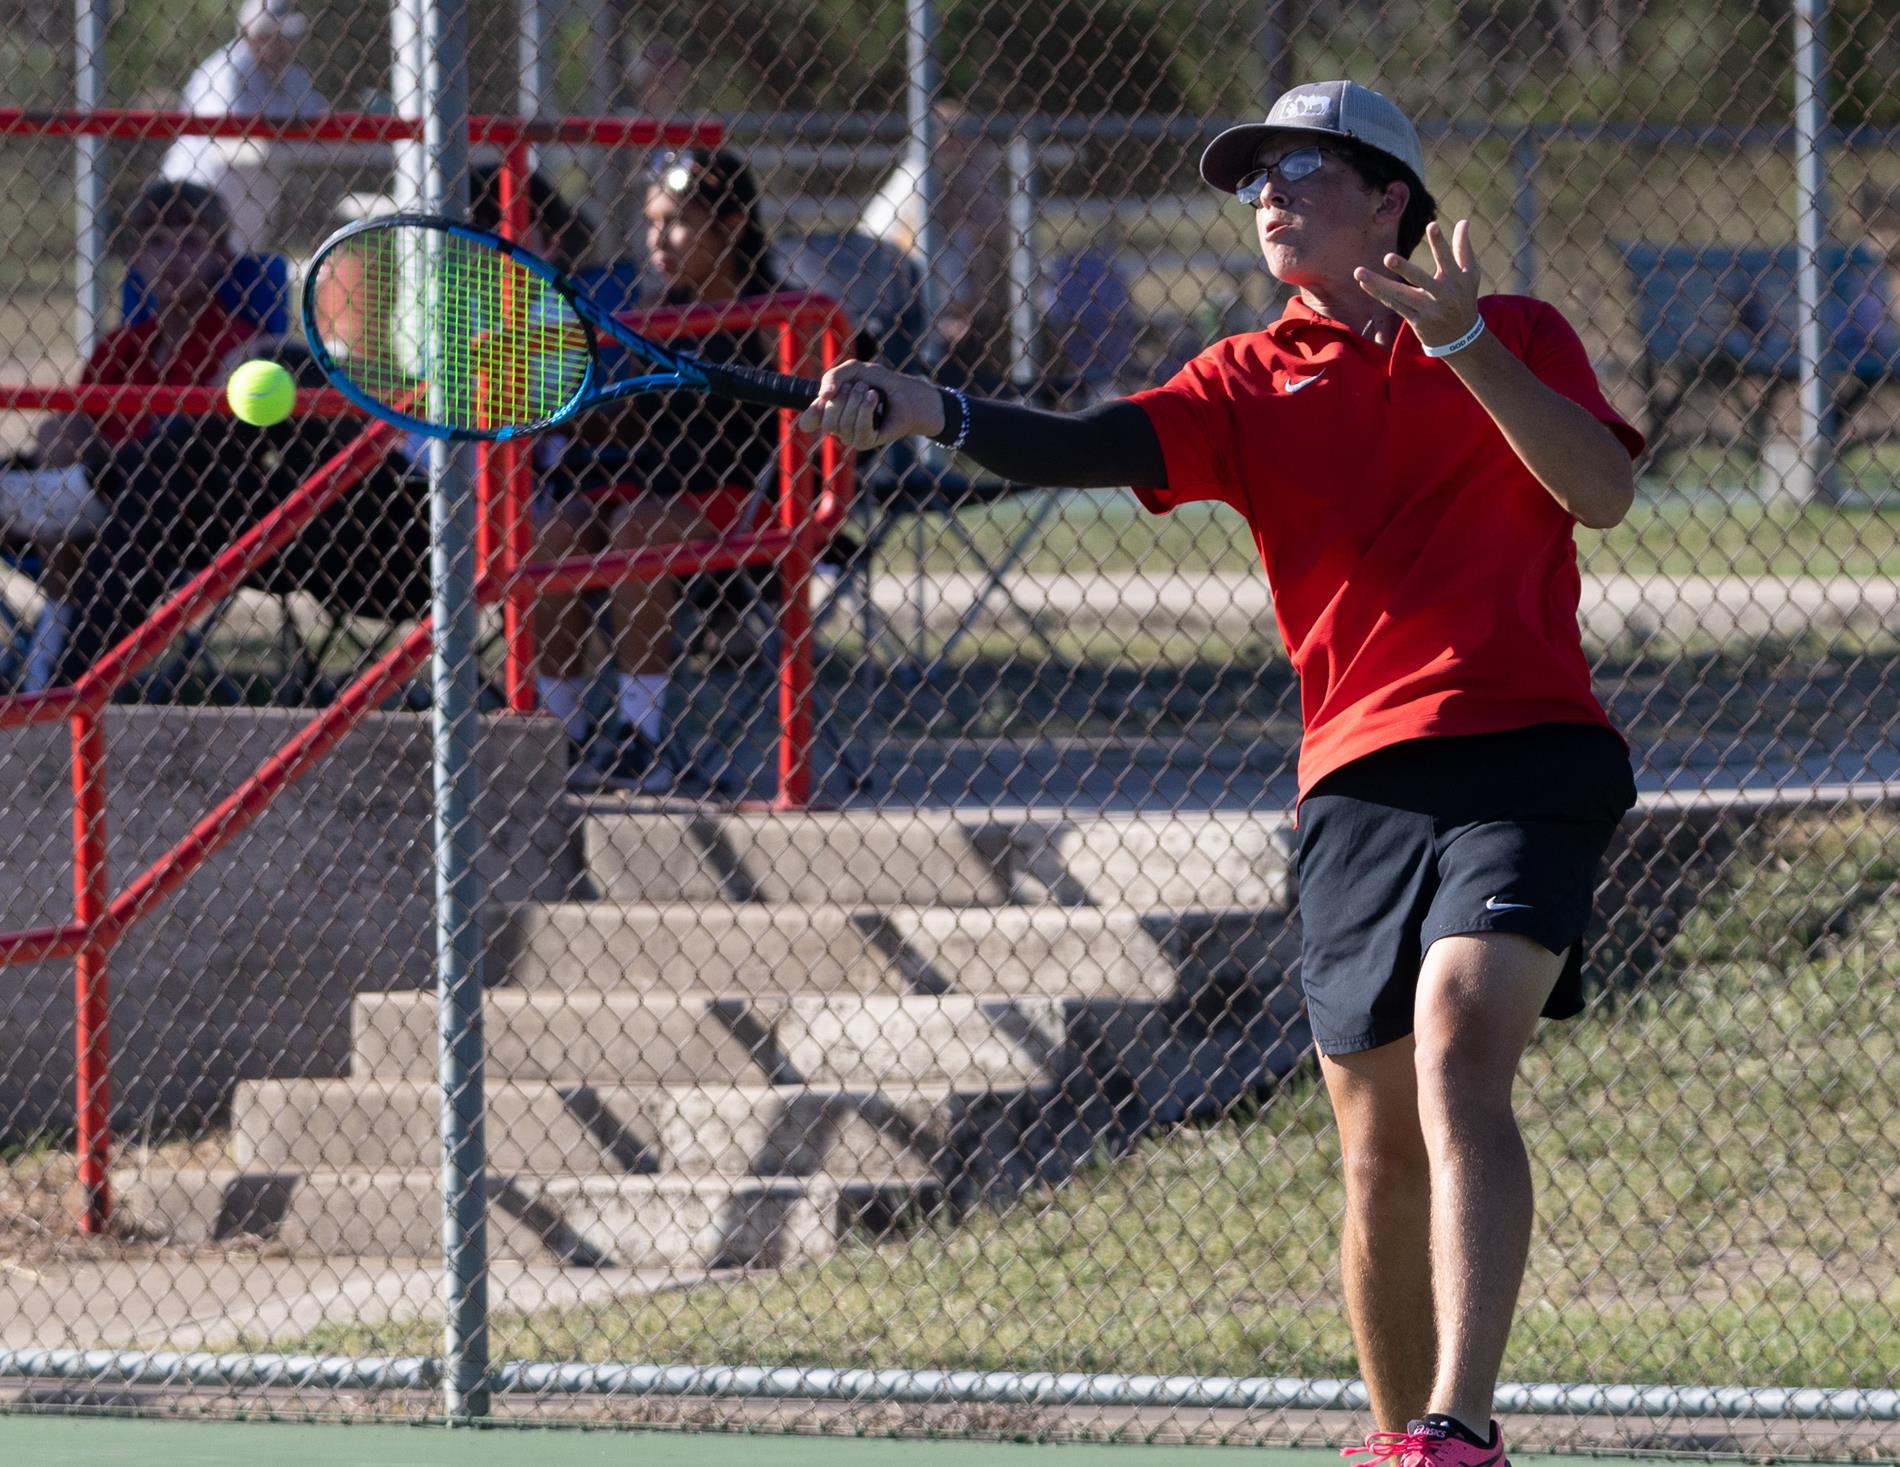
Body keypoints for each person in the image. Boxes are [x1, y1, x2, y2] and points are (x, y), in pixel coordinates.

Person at [800, 80, 1643, 1467]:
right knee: (1375, 1142)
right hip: (1355, 776)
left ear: (1390, 199)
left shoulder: (1522, 331)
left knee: (1457, 1040)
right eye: (1252, 176)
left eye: (1301, 171)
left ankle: (1462, 1420)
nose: (1266, 195)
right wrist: (925, 404)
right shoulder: (1247, 379)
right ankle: (1402, 1443)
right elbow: (1088, 444)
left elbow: (1600, 495)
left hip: (1526, 748)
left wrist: (1465, 344)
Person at [532, 148, 780, 794]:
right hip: (651, 490)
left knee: (639, 528)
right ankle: (559, 735)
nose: (656, 240)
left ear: (730, 226)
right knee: (560, 527)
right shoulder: (656, 315)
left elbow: (807, 436)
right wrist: (561, 418)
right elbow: (636, 422)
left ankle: (645, 740)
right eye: (650, 222)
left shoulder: (781, 311)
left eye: (675, 221)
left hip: (746, 508)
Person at [19, 179, 261, 690]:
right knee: (59, 429)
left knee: (69, 460)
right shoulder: (120, 348)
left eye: (190, 244)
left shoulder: (238, 347)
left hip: (178, 511)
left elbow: (198, 451)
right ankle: (53, 520)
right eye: (154, 243)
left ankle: (54, 646)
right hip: (97, 509)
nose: (171, 258)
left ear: (221, 258)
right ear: (133, 260)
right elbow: (77, 433)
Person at [858, 100, 1014, 387]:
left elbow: (998, 230)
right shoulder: (917, 177)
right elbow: (906, 247)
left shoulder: (964, 176)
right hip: (893, 293)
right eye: (958, 134)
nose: (968, 142)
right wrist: (937, 314)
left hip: (951, 304)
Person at [161, 0, 328, 253]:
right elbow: (229, 137)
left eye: (288, 37)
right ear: (252, 35)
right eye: (273, 36)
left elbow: (320, 122)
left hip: (253, 201)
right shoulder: (225, 71)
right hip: (198, 194)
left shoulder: (293, 77)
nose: (284, 45)